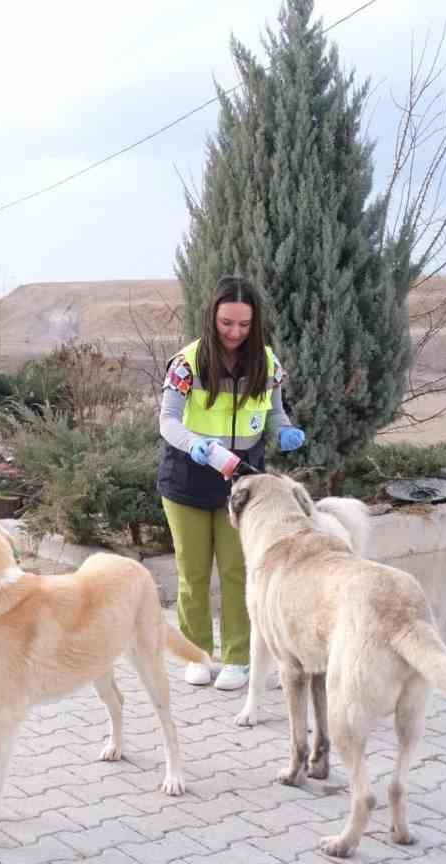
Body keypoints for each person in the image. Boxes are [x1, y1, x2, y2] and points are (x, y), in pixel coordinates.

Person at [156, 276, 305, 691]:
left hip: (243, 483)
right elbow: (167, 420)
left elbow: (274, 412)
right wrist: (195, 444)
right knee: (193, 572)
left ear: (255, 324)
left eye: (244, 325)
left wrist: (285, 430)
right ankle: (197, 653)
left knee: (240, 571)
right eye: (227, 323)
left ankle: (240, 658)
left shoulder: (268, 362)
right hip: (188, 476)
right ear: (211, 319)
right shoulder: (187, 363)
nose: (235, 333)